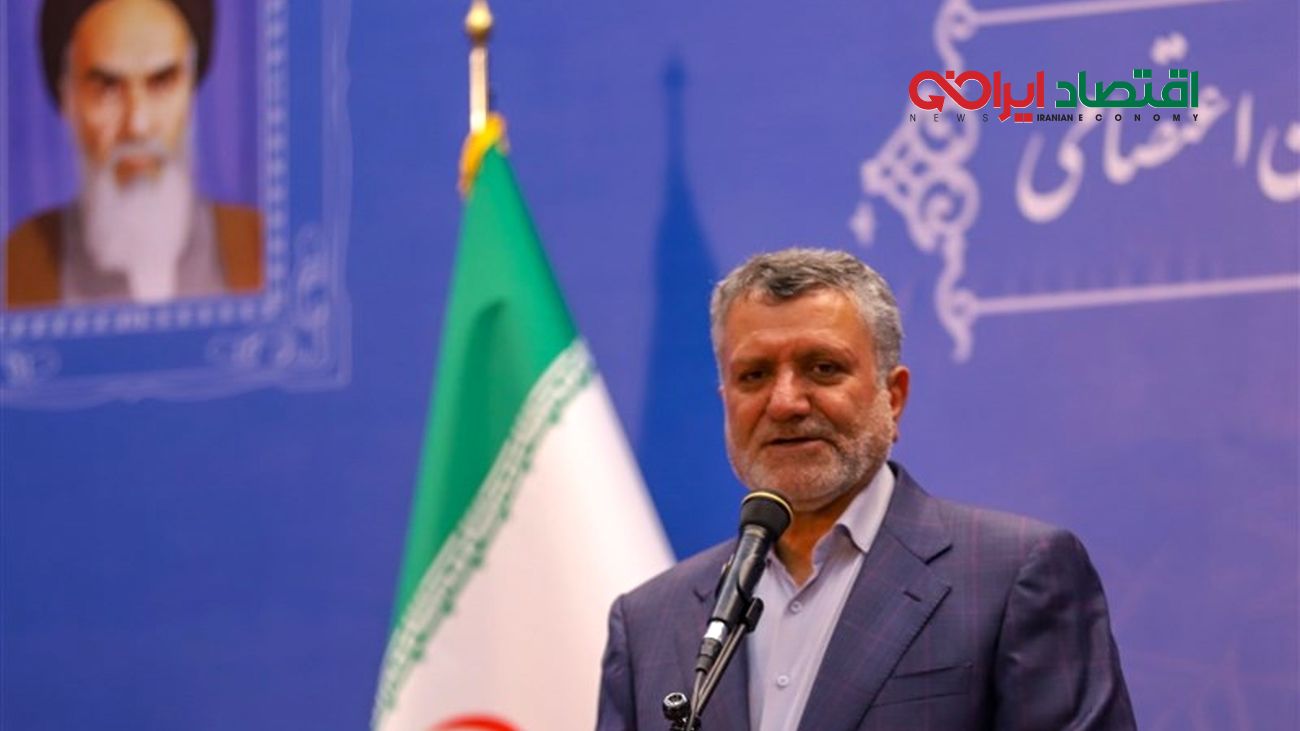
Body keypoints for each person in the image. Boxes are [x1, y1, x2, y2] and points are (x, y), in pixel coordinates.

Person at [597, 248, 1136, 730]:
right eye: (754, 375)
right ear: (726, 399)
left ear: (892, 397)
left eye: (822, 368)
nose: (784, 403)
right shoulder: (648, 624)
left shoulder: (1011, 576)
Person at [4, 0, 262, 309]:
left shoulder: (259, 246)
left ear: (190, 91)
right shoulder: (18, 267)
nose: (137, 125)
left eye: (161, 83)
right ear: (68, 100)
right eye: (107, 88)